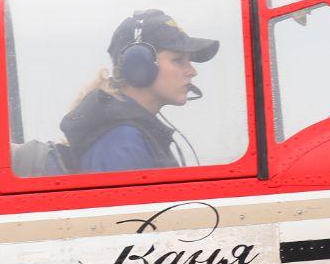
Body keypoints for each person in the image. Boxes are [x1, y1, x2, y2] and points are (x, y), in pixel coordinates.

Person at [60, 9, 218, 174]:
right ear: (139, 65)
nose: (192, 71)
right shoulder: (121, 143)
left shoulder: (134, 136)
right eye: (178, 60)